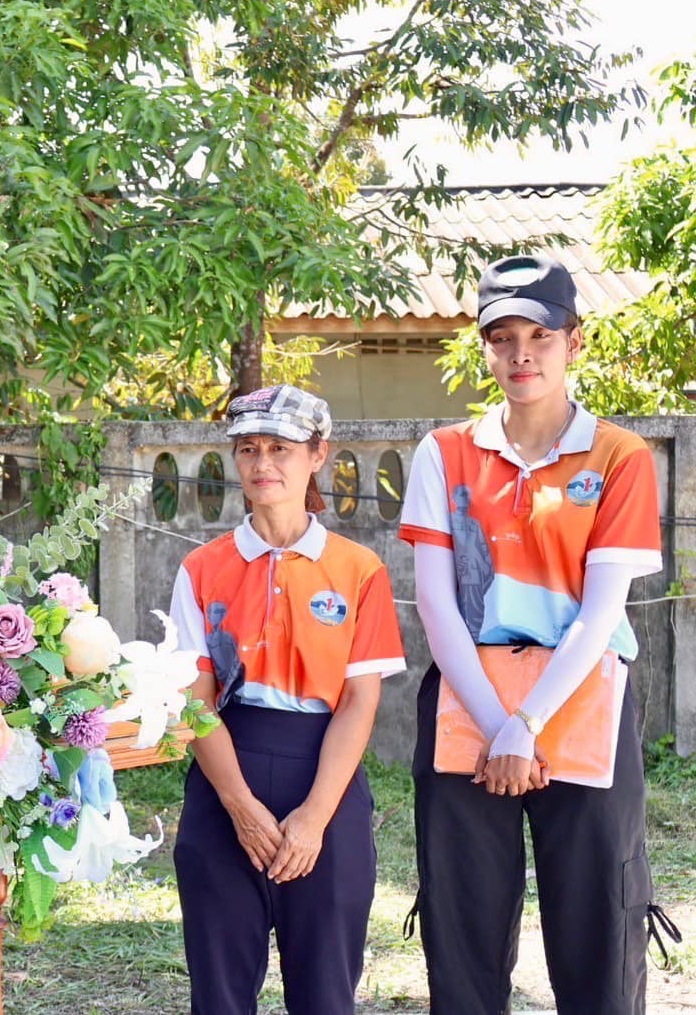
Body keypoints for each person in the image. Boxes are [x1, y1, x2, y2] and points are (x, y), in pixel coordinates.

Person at [399, 255, 664, 1014]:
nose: (521, 354)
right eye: (502, 337)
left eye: (540, 335)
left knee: (598, 917)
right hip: (466, 698)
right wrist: (498, 726)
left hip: (581, 695)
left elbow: (600, 611)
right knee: (461, 918)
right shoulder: (443, 452)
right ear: (484, 347)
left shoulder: (619, 455)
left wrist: (526, 725)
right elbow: (436, 604)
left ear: (573, 341)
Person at [170, 384, 406, 1015]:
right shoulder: (202, 568)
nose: (262, 463)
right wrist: (239, 805)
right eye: (248, 448)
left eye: (280, 448)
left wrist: (314, 817)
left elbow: (358, 702)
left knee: (326, 991)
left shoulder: (359, 570)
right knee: (219, 993)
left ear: (317, 455)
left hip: (325, 777)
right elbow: (196, 703)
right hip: (226, 774)